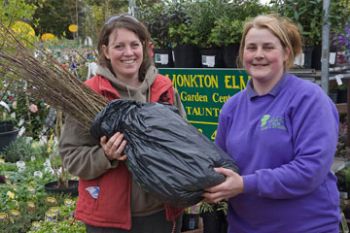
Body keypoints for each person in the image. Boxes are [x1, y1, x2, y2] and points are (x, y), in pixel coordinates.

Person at [203, 14, 340, 233]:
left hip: (306, 227)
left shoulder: (309, 99)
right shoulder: (232, 107)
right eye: (251, 48)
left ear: (286, 53)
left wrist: (245, 184)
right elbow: (220, 164)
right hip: (244, 227)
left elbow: (310, 170)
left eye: (268, 47)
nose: (258, 55)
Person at [59, 14, 184, 233]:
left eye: (135, 45)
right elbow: (71, 157)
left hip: (162, 215)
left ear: (144, 47)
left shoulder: (164, 89)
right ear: (106, 51)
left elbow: (186, 144)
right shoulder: (89, 95)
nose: (128, 53)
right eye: (119, 46)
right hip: (109, 222)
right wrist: (104, 156)